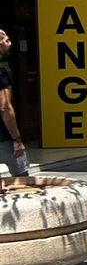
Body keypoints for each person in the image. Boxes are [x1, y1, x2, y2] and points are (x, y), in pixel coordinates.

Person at [0, 27, 27, 176]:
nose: (10, 43)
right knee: (22, 179)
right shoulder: (2, 73)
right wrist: (17, 139)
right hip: (4, 139)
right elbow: (5, 107)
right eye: (6, 40)